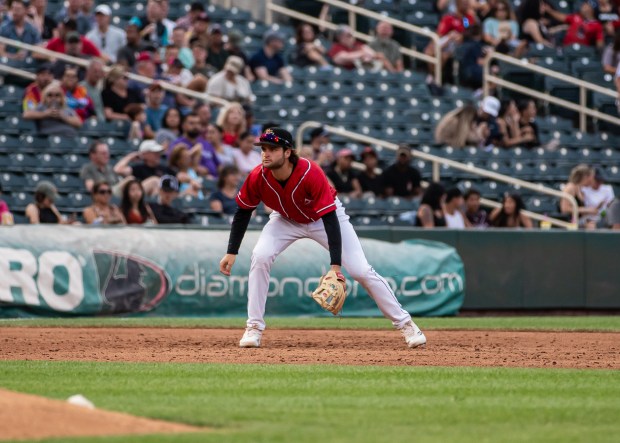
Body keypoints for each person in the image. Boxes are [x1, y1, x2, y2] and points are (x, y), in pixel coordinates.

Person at [218, 128, 426, 349]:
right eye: (264, 149)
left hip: (324, 218)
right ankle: (254, 328)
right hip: (285, 218)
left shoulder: (310, 172)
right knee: (260, 256)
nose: (266, 154)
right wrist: (232, 251)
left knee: (360, 271)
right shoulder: (257, 176)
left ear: (288, 152)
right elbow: (242, 211)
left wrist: (335, 267)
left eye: (273, 149)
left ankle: (406, 325)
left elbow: (329, 219)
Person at [424, 0, 478, 87]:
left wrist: (461, 36)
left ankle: (435, 77)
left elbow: (467, 31)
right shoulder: (450, 18)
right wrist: (450, 36)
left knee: (443, 55)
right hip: (447, 41)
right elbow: (440, 33)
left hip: (459, 45)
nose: (465, 4)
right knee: (429, 51)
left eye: (466, 3)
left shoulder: (465, 19)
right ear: (457, 3)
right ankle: (431, 74)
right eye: (463, 2)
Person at [171, 112, 220, 179]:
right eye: (191, 123)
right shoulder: (178, 144)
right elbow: (174, 165)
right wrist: (197, 168)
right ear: (183, 126)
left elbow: (218, 164)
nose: (195, 126)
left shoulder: (206, 144)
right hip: (193, 179)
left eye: (198, 123)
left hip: (216, 180)